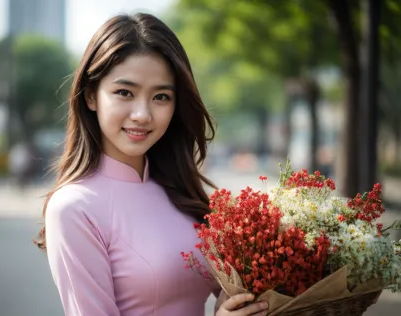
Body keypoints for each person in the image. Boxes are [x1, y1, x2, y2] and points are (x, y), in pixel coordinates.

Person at [34, 13, 269, 316]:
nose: (143, 114)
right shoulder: (75, 208)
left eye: (160, 96)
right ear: (91, 95)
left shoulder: (180, 190)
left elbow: (236, 292)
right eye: (124, 93)